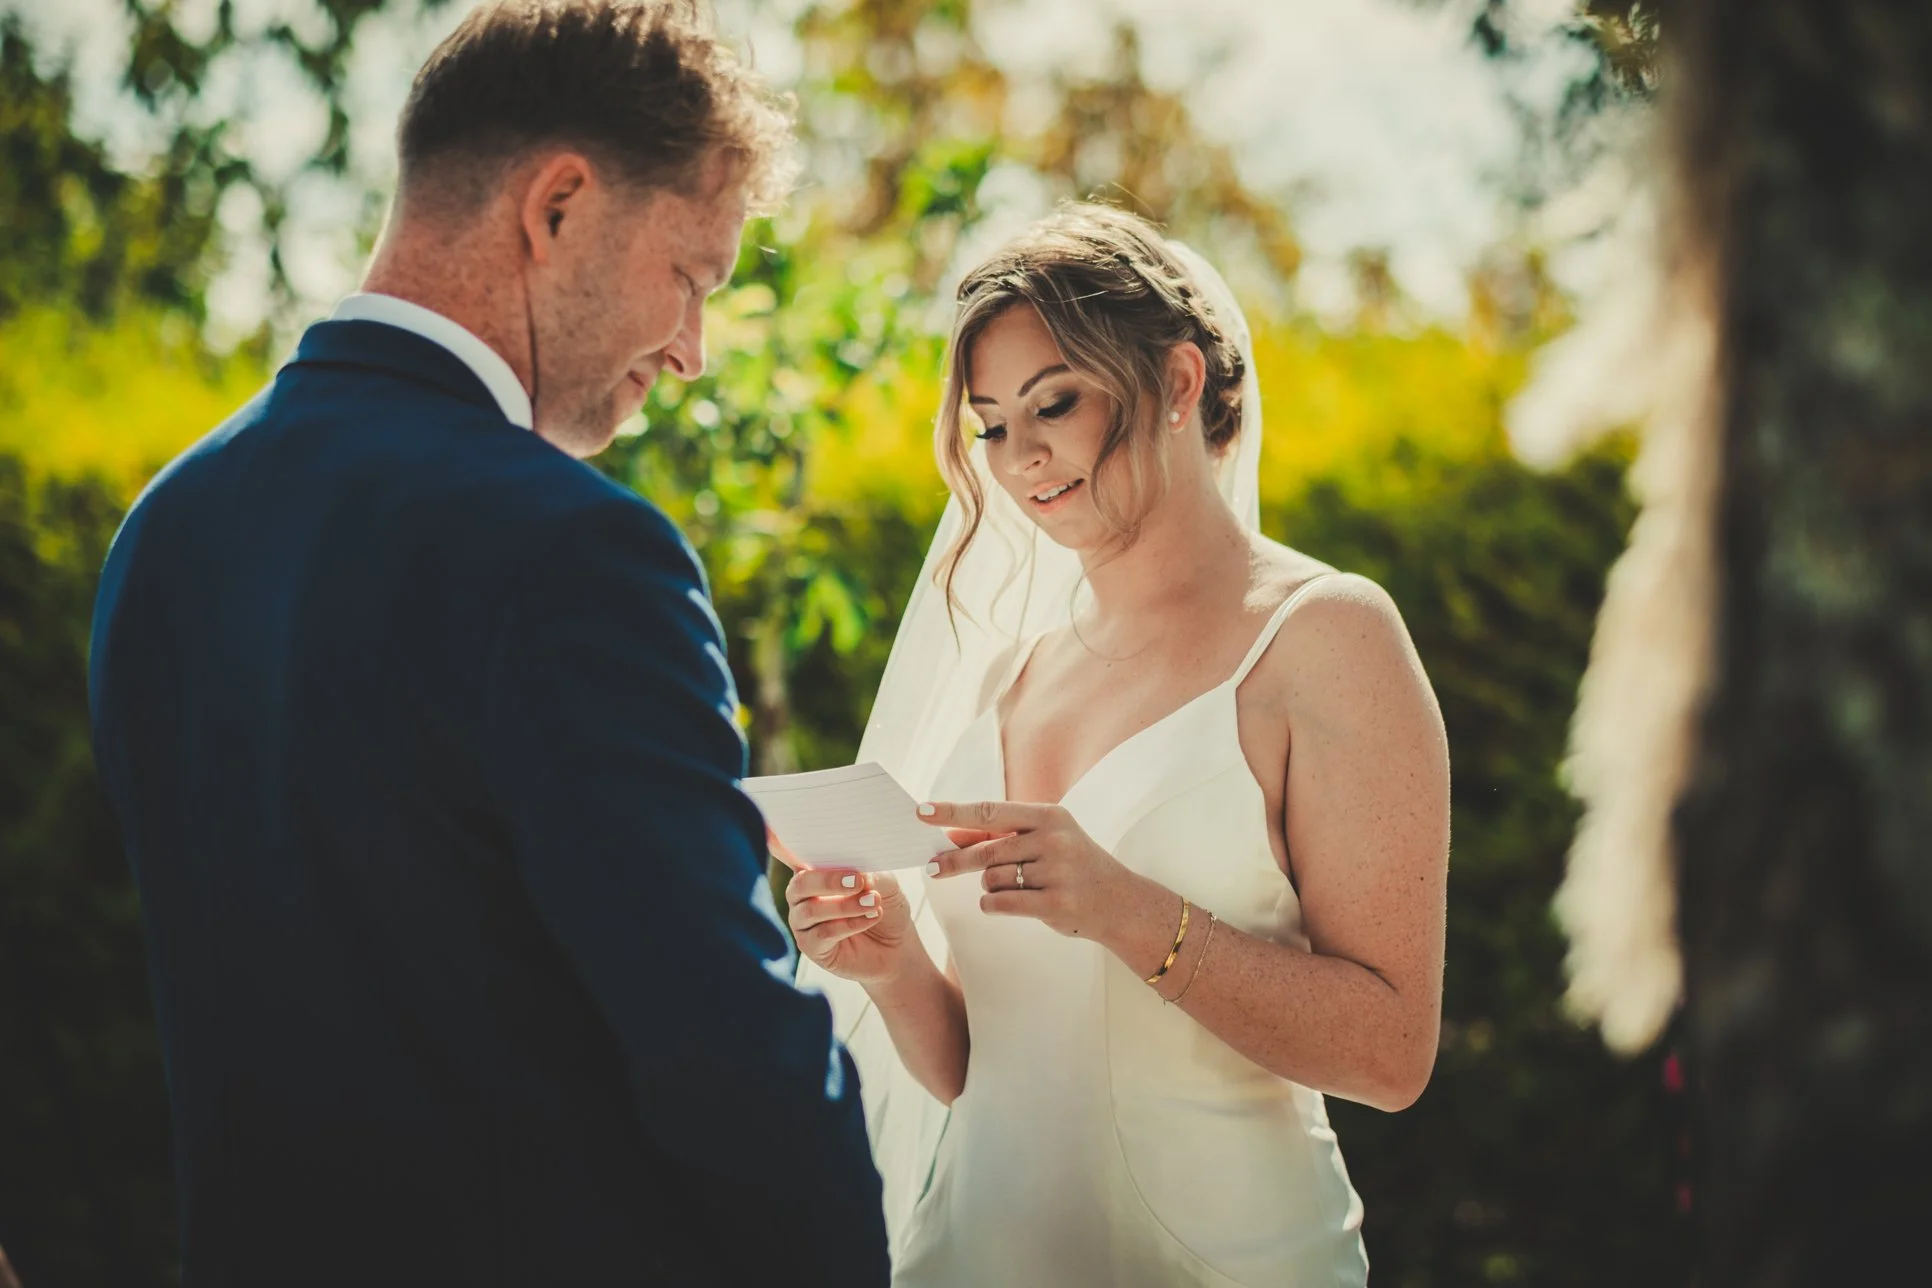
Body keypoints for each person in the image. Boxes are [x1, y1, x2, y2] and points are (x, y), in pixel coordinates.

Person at [87, 3, 886, 1283]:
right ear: (558, 205)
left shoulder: (166, 530)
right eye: (693, 277)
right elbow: (733, 1058)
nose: (690, 353)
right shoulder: (576, 554)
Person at [788, 205, 1450, 1285]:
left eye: (1055, 403)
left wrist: (1126, 908)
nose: (1019, 458)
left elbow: (1389, 1054)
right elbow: (982, 1067)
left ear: (1180, 383)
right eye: (993, 423)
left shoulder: (1327, 636)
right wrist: (893, 961)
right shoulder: (1011, 672)